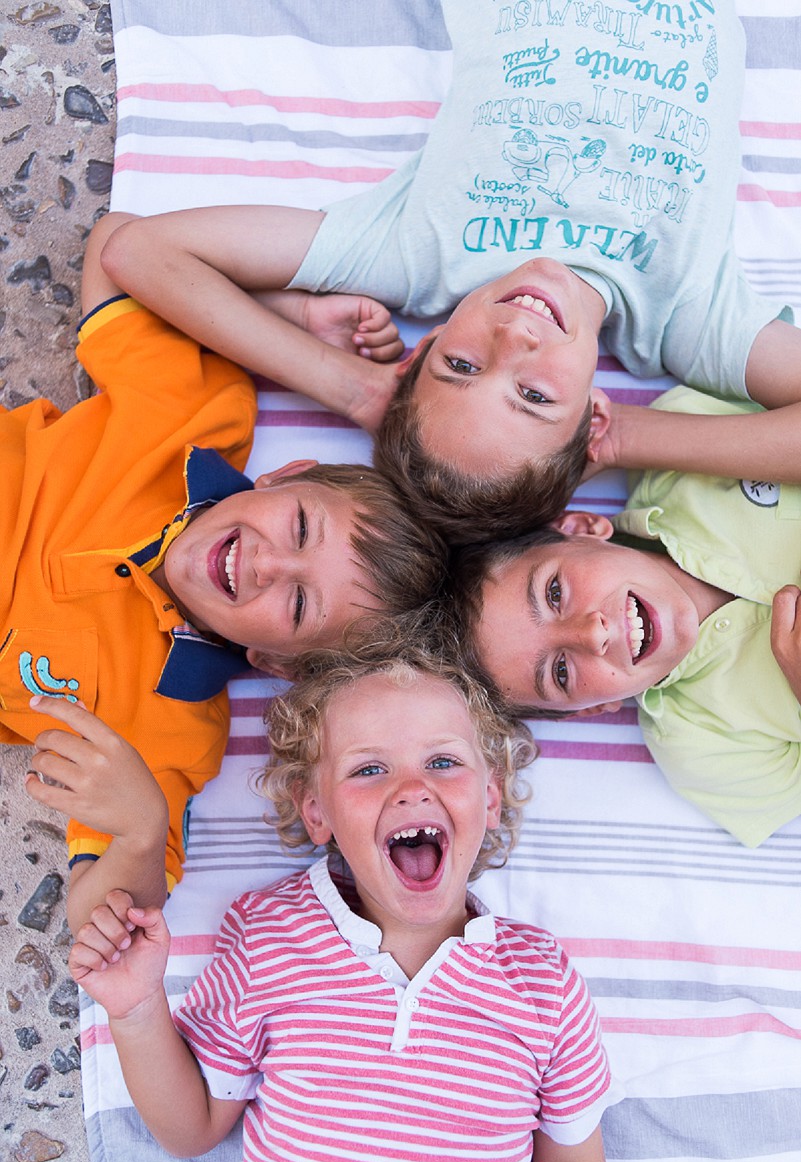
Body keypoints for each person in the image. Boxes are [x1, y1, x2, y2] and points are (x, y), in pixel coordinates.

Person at [95, 2, 801, 541]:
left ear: (422, 350)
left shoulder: (417, 255)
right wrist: (621, 438)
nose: (512, 340)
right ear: (590, 413)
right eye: (532, 394)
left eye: (459, 366)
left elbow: (136, 251)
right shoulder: (682, 317)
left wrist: (352, 386)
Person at [9, 212, 446, 934]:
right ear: (286, 475)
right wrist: (293, 320)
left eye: (299, 603)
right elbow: (117, 249)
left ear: (275, 659)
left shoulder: (169, 729)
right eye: (300, 527)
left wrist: (145, 833)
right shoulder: (197, 412)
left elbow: (101, 916)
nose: (267, 562)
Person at [68, 639, 619, 1162]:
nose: (411, 789)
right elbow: (192, 1129)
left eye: (443, 761)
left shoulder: (541, 979)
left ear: (490, 796)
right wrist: (137, 1010)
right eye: (369, 769)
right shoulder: (271, 937)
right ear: (317, 812)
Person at [451, 385, 801, 846]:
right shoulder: (700, 747)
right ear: (593, 708)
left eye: (555, 593)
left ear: (582, 529)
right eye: (560, 671)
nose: (591, 634)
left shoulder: (681, 457)